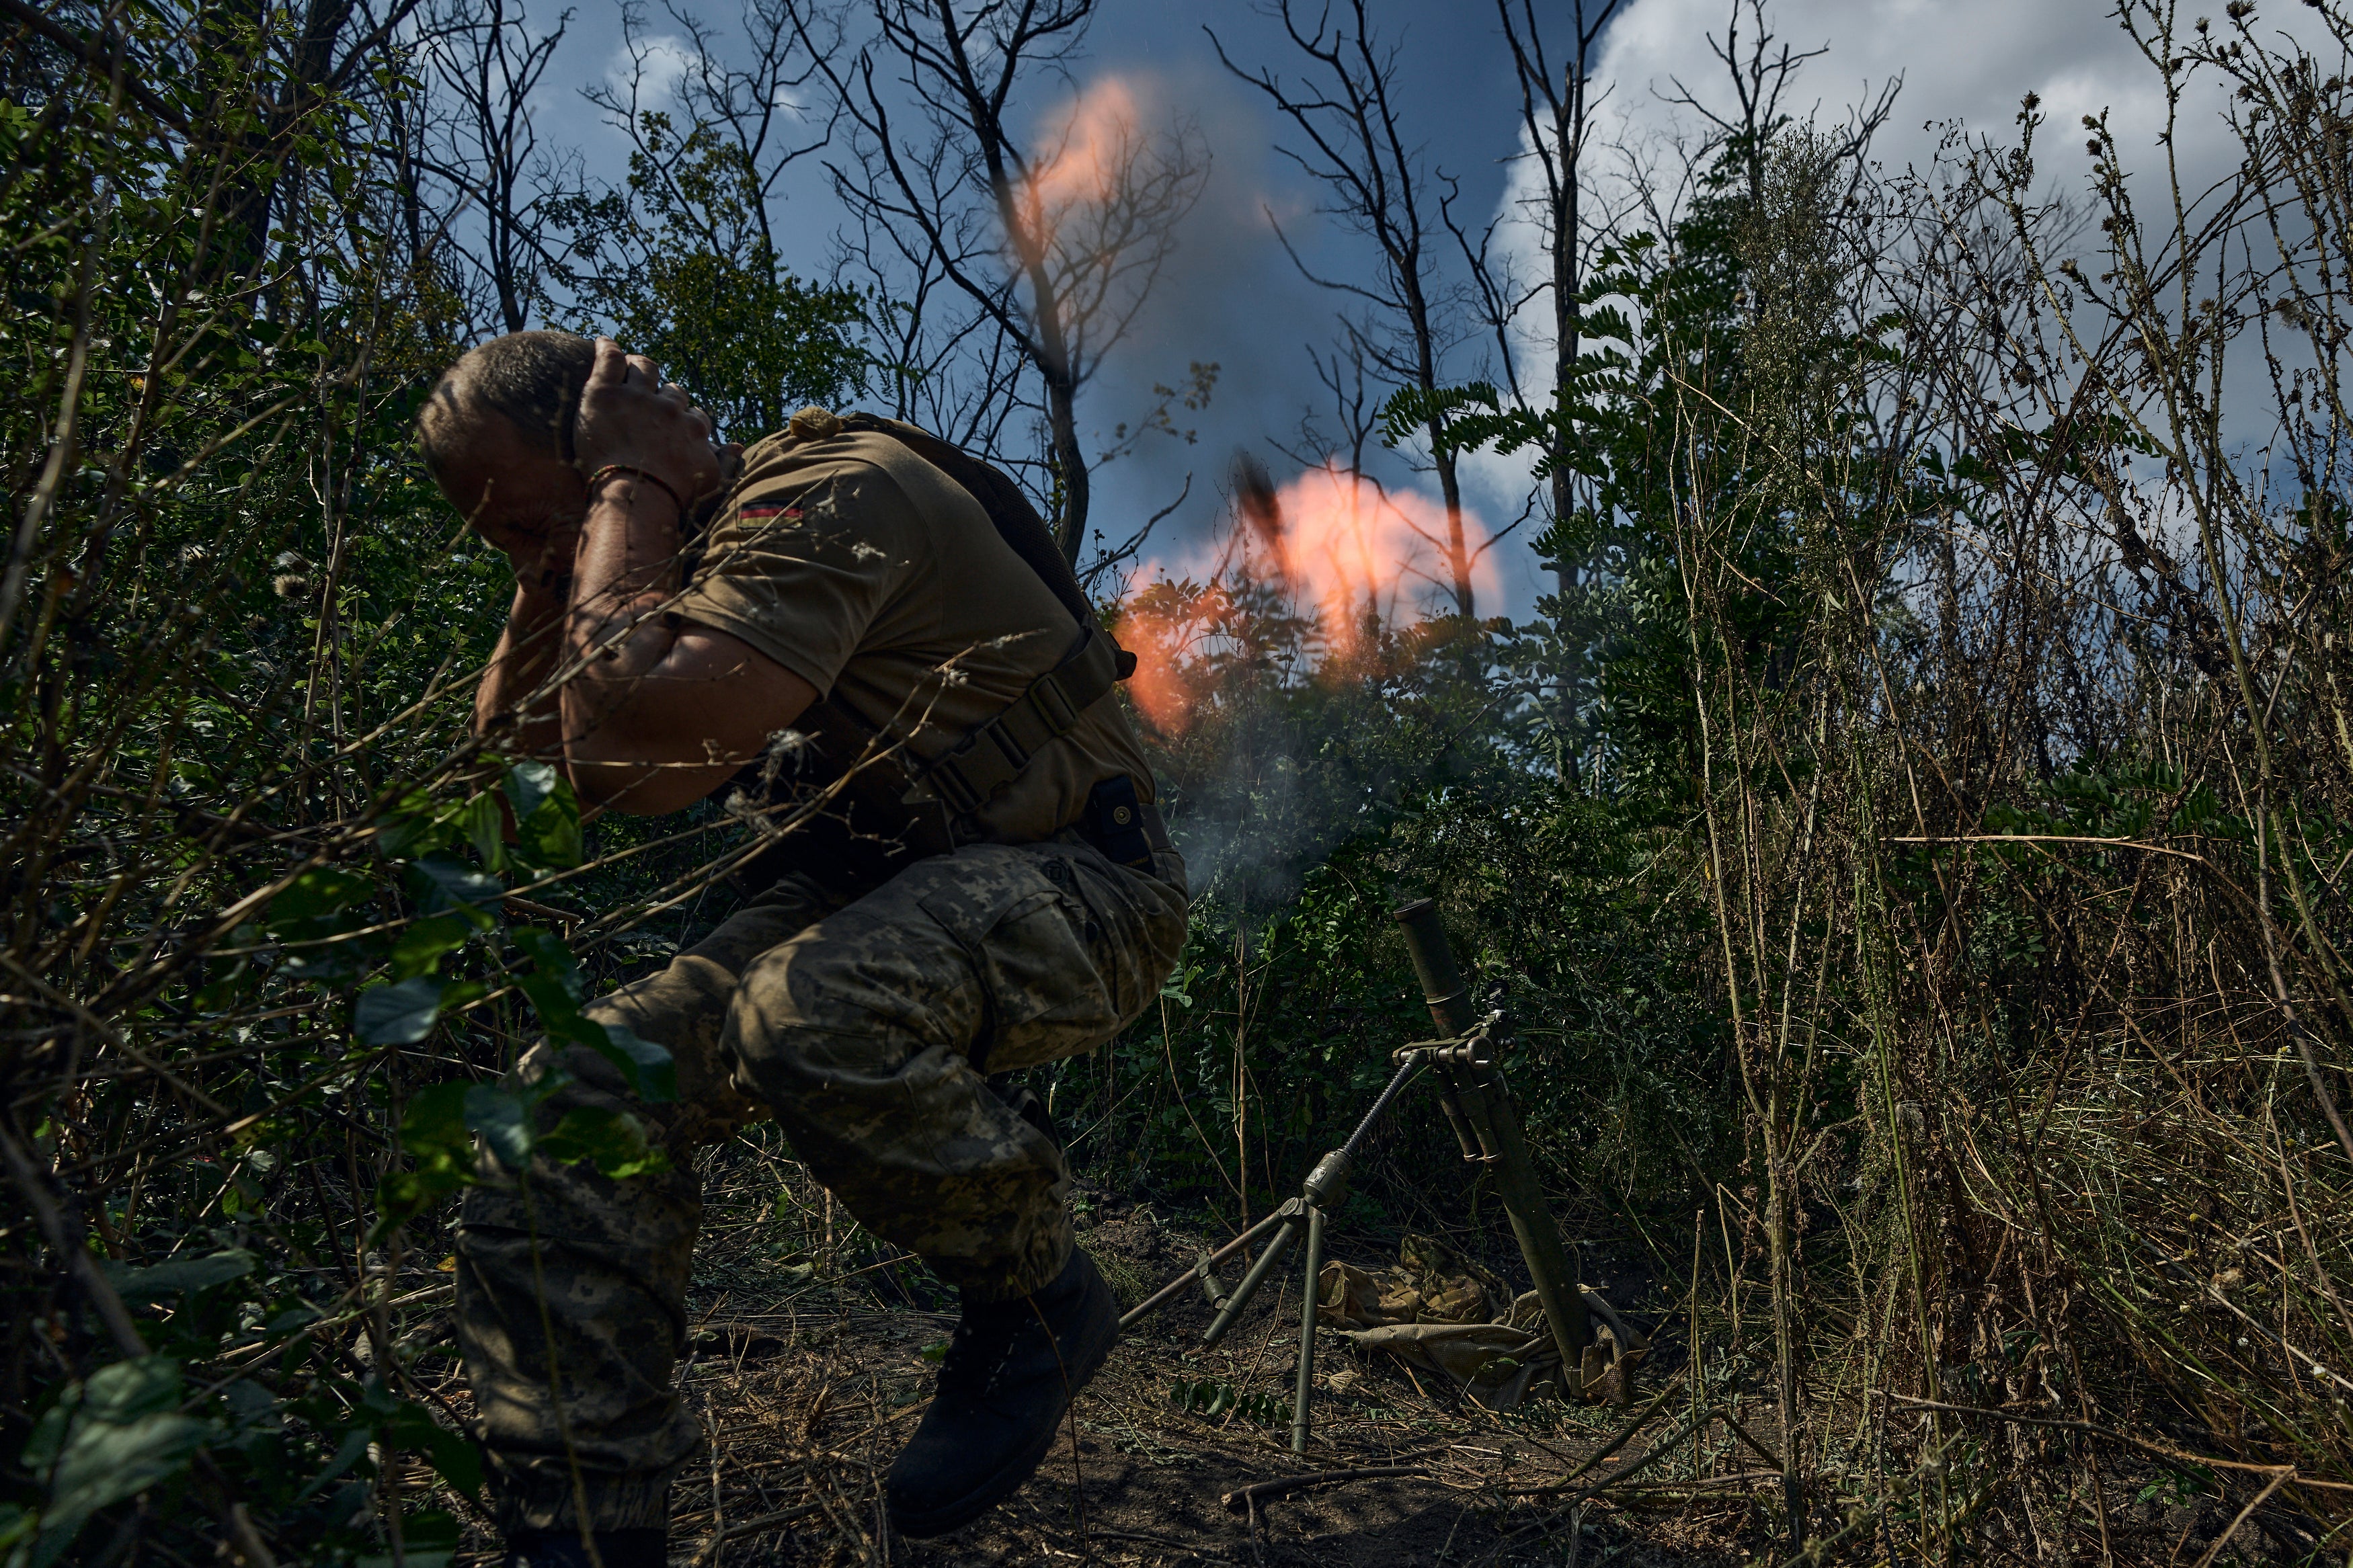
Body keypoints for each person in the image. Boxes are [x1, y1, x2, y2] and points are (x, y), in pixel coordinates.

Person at [414, 331, 1188, 1567]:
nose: (527, 554)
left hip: (1087, 888)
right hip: (866, 890)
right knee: (572, 1099)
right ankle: (583, 1535)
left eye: (526, 519)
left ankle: (1037, 1301)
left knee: (805, 1011)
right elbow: (519, 774)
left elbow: (630, 746)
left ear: (606, 453)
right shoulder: (672, 542)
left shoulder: (826, 498)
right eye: (495, 537)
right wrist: (553, 568)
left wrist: (629, 494)